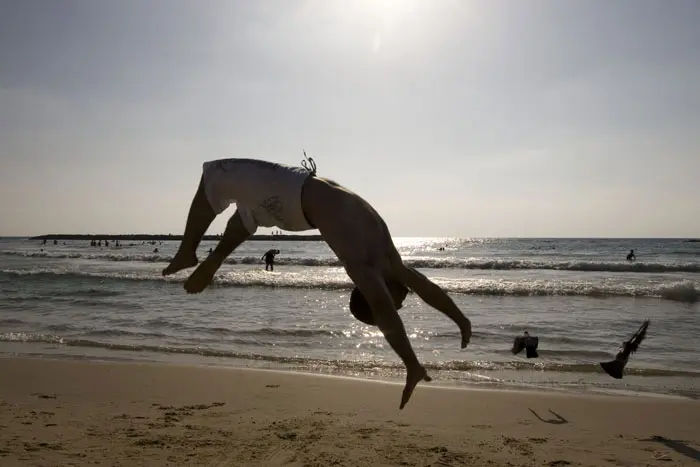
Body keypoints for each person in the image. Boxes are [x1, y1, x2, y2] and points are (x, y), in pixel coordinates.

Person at [162, 156, 472, 410]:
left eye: (397, 305)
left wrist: (411, 364)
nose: (403, 303)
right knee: (250, 215)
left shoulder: (364, 268)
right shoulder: (392, 262)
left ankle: (187, 252)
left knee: (218, 173)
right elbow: (428, 289)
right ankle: (214, 260)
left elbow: (384, 313)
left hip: (297, 197)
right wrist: (460, 319)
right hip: (298, 208)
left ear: (376, 293)